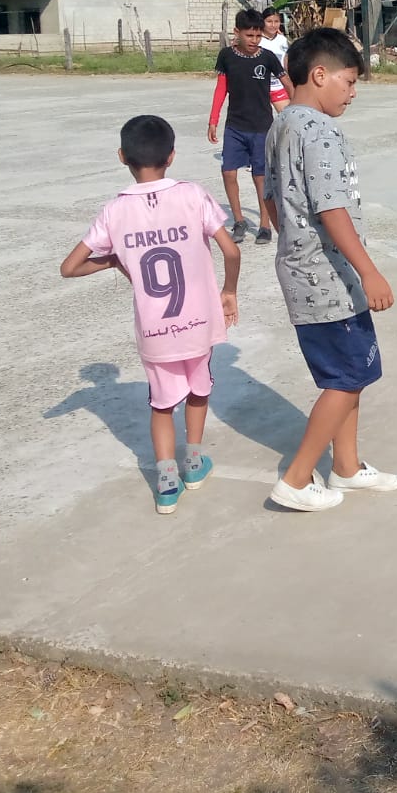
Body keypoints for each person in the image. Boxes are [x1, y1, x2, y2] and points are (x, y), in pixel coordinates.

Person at [59, 115, 241, 515]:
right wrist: (228, 292)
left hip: (155, 331)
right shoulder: (192, 195)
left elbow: (69, 267)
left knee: (161, 403)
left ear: (122, 156)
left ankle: (167, 483)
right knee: (199, 390)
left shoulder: (115, 211)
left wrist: (112, 261)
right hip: (198, 322)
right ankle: (193, 463)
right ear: (171, 156)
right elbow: (231, 250)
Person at [262, 28, 397, 513]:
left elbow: (271, 199)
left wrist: (293, 240)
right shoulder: (319, 130)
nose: (353, 92)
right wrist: (369, 272)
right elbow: (331, 207)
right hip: (329, 276)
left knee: (351, 373)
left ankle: (346, 466)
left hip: (302, 269)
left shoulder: (281, 124)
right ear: (319, 75)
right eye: (349, 81)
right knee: (346, 377)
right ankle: (298, 477)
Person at [209, 8, 290, 246]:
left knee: (260, 177)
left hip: (261, 127)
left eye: (258, 36)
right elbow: (221, 89)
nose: (254, 41)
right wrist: (213, 119)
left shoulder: (267, 57)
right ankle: (239, 221)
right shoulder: (226, 56)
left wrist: (299, 108)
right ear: (237, 32)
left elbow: (287, 82)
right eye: (249, 36)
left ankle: (265, 224)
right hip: (234, 126)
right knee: (228, 172)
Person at [260, 6, 291, 113]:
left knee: (287, 117)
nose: (273, 25)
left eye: (276, 21)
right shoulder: (256, 40)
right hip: (261, 89)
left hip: (279, 87)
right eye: (269, 21)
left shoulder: (282, 40)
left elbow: (286, 62)